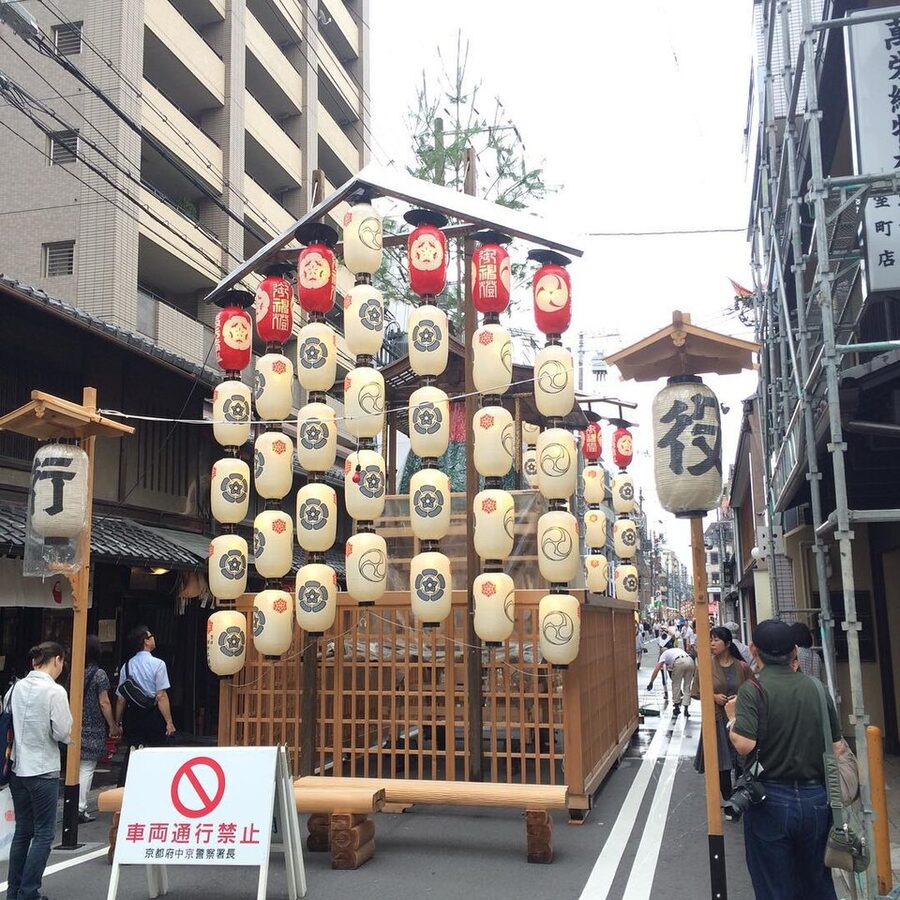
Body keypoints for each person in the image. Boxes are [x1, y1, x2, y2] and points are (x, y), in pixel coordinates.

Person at [725, 619, 843, 900]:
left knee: (775, 886)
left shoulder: (753, 690)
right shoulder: (817, 688)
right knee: (816, 883)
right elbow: (837, 747)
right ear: (794, 652)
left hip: (771, 798)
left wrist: (731, 719)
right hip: (816, 798)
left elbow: (744, 745)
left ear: (754, 651)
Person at [6, 642, 73, 900]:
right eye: (62, 662)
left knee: (23, 831)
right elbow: (62, 732)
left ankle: (14, 891)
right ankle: (29, 892)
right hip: (43, 769)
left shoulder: (15, 688)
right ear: (56, 660)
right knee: (44, 833)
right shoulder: (55, 691)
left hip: (18, 769)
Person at [692, 626, 751, 803]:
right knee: (721, 762)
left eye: (716, 640)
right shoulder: (705, 665)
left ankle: (741, 794)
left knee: (742, 759)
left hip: (739, 719)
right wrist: (713, 696)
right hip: (716, 719)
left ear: (727, 643)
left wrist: (740, 697)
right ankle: (728, 797)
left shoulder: (742, 666)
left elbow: (753, 689)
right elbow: (696, 691)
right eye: (710, 640)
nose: (712, 643)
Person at [115, 625, 175, 785]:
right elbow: (161, 696)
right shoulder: (158, 664)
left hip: (132, 715)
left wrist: (117, 723)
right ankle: (153, 784)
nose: (153, 638)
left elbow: (121, 699)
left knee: (133, 752)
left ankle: (127, 786)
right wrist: (169, 721)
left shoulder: (127, 666)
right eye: (151, 636)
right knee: (154, 751)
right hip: (152, 714)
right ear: (145, 641)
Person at [79, 635, 119, 823]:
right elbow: (104, 702)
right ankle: (80, 807)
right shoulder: (99, 674)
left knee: (77, 767)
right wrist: (112, 724)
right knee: (87, 768)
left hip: (76, 723)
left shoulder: (76, 672)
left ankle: (75, 805)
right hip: (93, 726)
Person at [647, 644, 695, 716]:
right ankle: (686, 709)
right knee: (687, 686)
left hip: (680, 662)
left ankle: (676, 707)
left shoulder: (663, 655)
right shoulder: (676, 650)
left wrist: (651, 682)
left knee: (676, 684)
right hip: (690, 661)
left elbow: (656, 670)